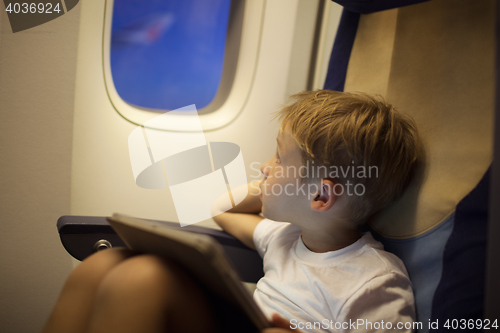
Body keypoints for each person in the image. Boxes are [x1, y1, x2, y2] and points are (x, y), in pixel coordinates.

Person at [43, 90, 419, 333]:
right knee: (105, 266)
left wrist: (283, 186)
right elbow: (221, 208)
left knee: (143, 281)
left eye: (277, 157)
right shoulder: (284, 237)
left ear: (321, 197)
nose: (264, 166)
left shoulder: (374, 281)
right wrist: (277, 184)